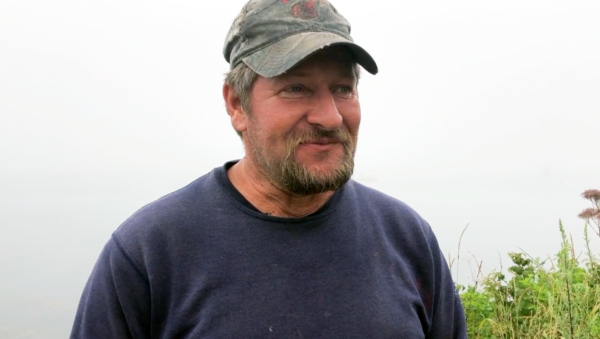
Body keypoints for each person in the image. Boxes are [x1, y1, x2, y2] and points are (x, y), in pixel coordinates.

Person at [71, 0, 467, 338]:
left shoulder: (406, 238)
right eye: (295, 88)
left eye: (343, 89)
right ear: (237, 104)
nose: (330, 117)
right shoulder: (150, 252)